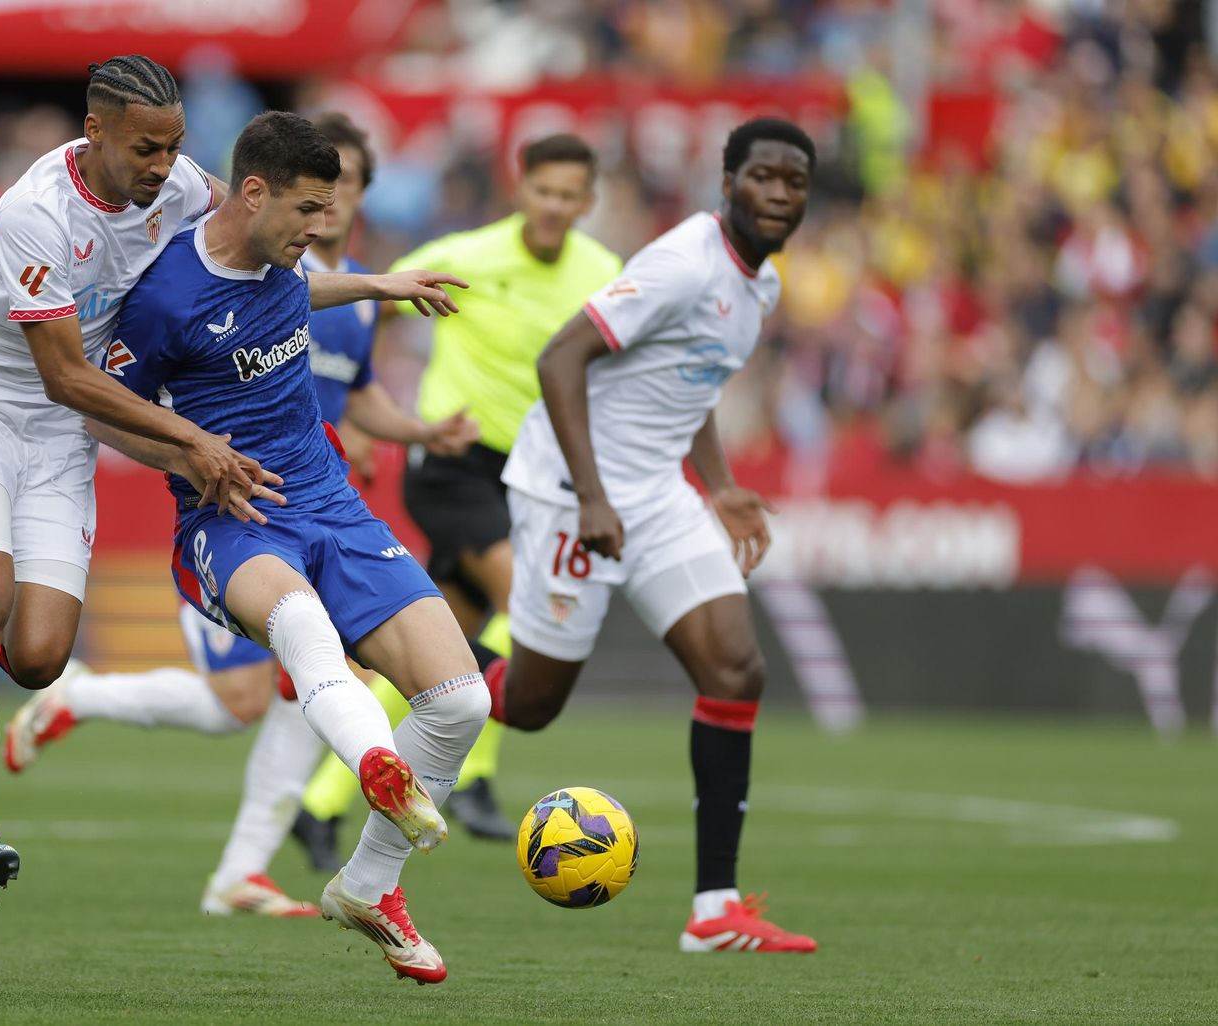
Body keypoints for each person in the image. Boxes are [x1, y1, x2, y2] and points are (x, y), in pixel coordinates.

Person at [0, 55, 467, 914]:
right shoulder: (35, 215)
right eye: (145, 150)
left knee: (42, 655)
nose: (164, 168)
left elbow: (259, 267)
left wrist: (374, 285)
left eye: (173, 148)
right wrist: (195, 440)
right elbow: (65, 378)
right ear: (94, 133)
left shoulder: (187, 188)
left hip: (70, 424)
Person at [78, 110, 489, 984]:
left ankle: (370, 887)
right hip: (231, 520)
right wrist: (195, 455)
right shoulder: (163, 298)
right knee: (302, 625)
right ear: (253, 192)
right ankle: (375, 760)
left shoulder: (286, 261)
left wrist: (384, 285)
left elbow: (303, 293)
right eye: (307, 211)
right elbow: (102, 409)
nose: (318, 229)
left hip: (332, 505)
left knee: (460, 705)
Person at [481, 118, 820, 955]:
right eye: (763, 176)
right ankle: (405, 655)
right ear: (727, 180)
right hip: (573, 490)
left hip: (658, 494)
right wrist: (593, 496)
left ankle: (714, 911)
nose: (779, 193)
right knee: (529, 707)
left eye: (795, 182)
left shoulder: (761, 284)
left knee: (736, 669)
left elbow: (691, 381)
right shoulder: (682, 262)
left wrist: (722, 485)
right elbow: (561, 359)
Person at [291, 133, 623, 852]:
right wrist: (367, 414)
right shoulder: (468, 258)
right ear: (520, 187)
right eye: (544, 191)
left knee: (430, 653)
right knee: (526, 603)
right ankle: (472, 779)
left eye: (571, 196)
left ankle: (318, 805)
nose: (555, 207)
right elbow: (361, 308)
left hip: (529, 477)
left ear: (588, 202)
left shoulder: (603, 273)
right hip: (453, 463)